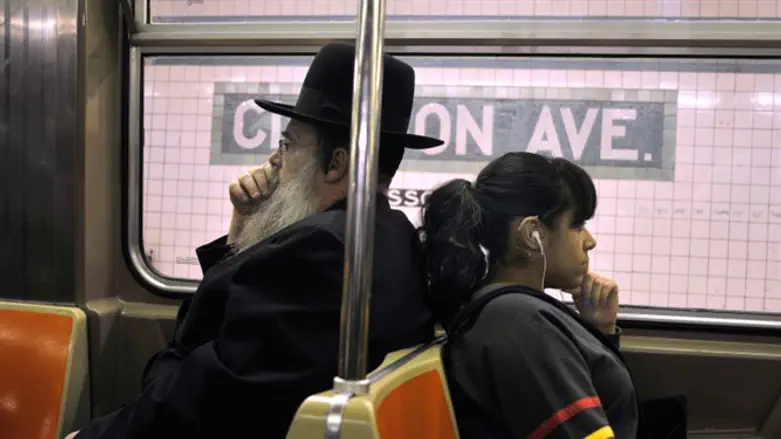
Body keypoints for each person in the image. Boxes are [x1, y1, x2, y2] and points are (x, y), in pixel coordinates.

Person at [68, 42, 444, 439]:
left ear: (336, 164)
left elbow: (194, 401)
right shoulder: (392, 234)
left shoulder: (318, 253)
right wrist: (243, 226)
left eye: (289, 144)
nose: (274, 161)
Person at [419, 152, 640, 439]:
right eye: (577, 225)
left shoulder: (516, 312)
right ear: (531, 234)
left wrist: (600, 330)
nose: (590, 241)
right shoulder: (517, 321)